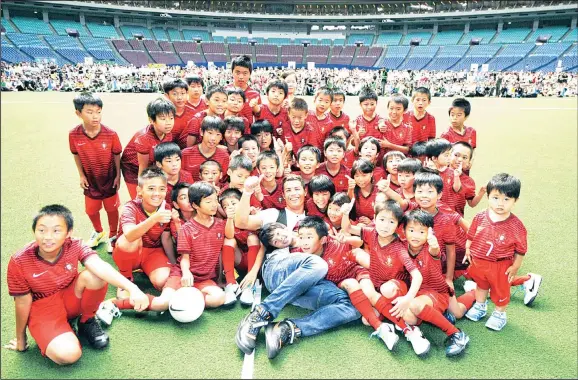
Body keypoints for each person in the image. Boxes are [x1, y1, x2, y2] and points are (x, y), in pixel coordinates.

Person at [5, 205, 149, 365]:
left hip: (70, 298)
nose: (47, 237)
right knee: (68, 356)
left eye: (56, 231)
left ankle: (86, 321)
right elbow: (22, 302)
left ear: (68, 233)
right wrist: (21, 339)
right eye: (41, 230)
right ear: (34, 232)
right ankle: (64, 332)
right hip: (43, 310)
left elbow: (99, 265)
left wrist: (132, 288)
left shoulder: (75, 245)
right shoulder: (19, 261)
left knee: (95, 275)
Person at [234, 177, 361, 359]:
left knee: (352, 306)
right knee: (317, 264)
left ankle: (287, 328)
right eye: (288, 190)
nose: (293, 193)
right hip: (278, 269)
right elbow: (242, 222)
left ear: (304, 192)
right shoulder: (274, 215)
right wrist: (246, 192)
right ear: (283, 195)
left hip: (305, 283)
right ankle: (260, 314)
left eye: (297, 189)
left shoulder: (315, 220)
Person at [463, 173, 539, 330]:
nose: (500, 203)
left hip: (500, 266)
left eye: (506, 199)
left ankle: (499, 314)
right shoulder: (480, 216)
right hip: (478, 262)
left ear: (515, 201)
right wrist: (468, 250)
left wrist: (516, 266)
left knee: (500, 290)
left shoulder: (516, 226)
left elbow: (520, 250)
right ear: (488, 197)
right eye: (496, 197)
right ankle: (480, 306)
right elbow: (471, 235)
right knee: (481, 286)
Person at [400, 210, 470, 357]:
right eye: (411, 230)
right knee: (410, 318)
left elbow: (435, 251)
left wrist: (434, 245)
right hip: (419, 293)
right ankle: (440, 314)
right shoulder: (401, 248)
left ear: (429, 233)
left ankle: (456, 333)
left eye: (421, 232)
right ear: (404, 231)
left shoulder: (431, 248)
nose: (415, 235)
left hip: (437, 291)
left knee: (456, 313)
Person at [163, 182, 235, 308]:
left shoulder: (219, 223)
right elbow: (184, 258)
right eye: (208, 201)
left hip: (204, 280)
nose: (214, 205)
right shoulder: (187, 228)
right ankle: (119, 304)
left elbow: (229, 236)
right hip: (183, 275)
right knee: (161, 304)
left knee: (219, 298)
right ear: (195, 205)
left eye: (215, 200)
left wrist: (229, 218)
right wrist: (186, 273)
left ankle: (185, 299)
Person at [69, 92, 122, 253]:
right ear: (78, 113)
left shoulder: (111, 133)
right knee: (91, 210)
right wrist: (81, 175)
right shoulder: (74, 134)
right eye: (90, 112)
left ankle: (113, 235)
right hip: (91, 181)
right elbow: (76, 155)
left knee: (112, 210)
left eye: (98, 112)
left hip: (109, 179)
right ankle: (98, 232)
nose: (95, 116)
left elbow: (116, 155)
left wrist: (118, 176)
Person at [112, 167, 176, 299]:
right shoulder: (130, 207)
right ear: (139, 191)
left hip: (152, 252)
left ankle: (148, 277)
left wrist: (173, 264)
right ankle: (126, 278)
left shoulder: (167, 208)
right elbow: (129, 235)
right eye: (151, 188)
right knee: (130, 239)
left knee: (162, 281)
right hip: (130, 252)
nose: (157, 193)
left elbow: (166, 239)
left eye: (162, 189)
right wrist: (155, 218)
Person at [120, 98, 175, 199]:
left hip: (151, 165)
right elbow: (143, 167)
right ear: (151, 120)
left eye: (171, 118)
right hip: (132, 168)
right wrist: (140, 188)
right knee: (140, 198)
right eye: (163, 119)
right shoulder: (143, 137)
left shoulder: (168, 134)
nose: (168, 123)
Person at [219, 188, 264, 305]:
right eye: (225, 206)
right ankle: (231, 283)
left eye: (234, 203)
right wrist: (229, 218)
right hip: (239, 260)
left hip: (255, 263)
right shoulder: (226, 222)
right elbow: (229, 235)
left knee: (252, 238)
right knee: (229, 240)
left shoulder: (253, 217)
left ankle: (250, 285)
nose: (230, 207)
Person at [181, 116, 230, 182]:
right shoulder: (185, 154)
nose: (213, 138)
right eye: (210, 133)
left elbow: (222, 181)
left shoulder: (224, 156)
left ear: (222, 137)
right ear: (201, 132)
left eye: (218, 134)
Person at [163, 78, 196, 149]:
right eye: (175, 94)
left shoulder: (194, 114)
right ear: (167, 96)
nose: (179, 97)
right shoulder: (162, 115)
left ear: (187, 94)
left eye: (182, 93)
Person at [228, 55, 261, 124]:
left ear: (250, 74)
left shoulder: (255, 95)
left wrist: (256, 108)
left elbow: (259, 117)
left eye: (245, 73)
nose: (241, 77)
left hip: (247, 133)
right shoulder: (225, 91)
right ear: (232, 72)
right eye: (237, 72)